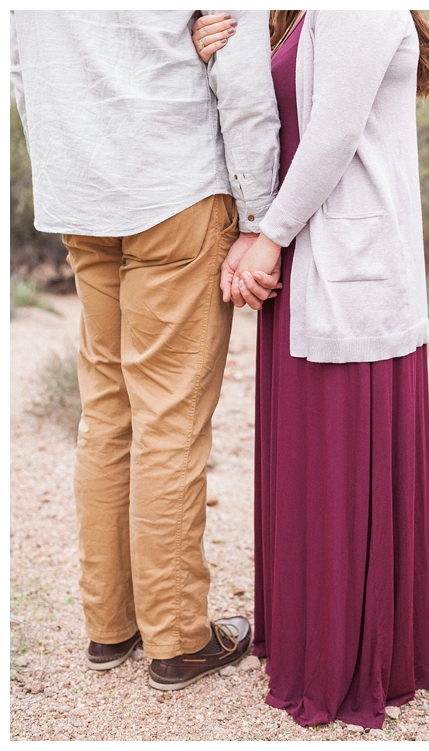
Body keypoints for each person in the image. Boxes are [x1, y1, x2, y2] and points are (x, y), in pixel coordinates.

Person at [9, 11, 280, 689]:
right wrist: (259, 219)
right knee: (169, 420)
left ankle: (111, 625)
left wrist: (78, 145)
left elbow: (20, 71)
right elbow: (244, 85)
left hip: (81, 195)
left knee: (107, 416)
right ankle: (178, 637)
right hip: (174, 188)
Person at [191, 11, 429, 728]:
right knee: (309, 467)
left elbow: (330, 134)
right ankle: (306, 634)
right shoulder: (301, 12)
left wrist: (265, 239)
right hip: (308, 253)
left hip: (343, 260)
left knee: (336, 466)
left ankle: (342, 660)